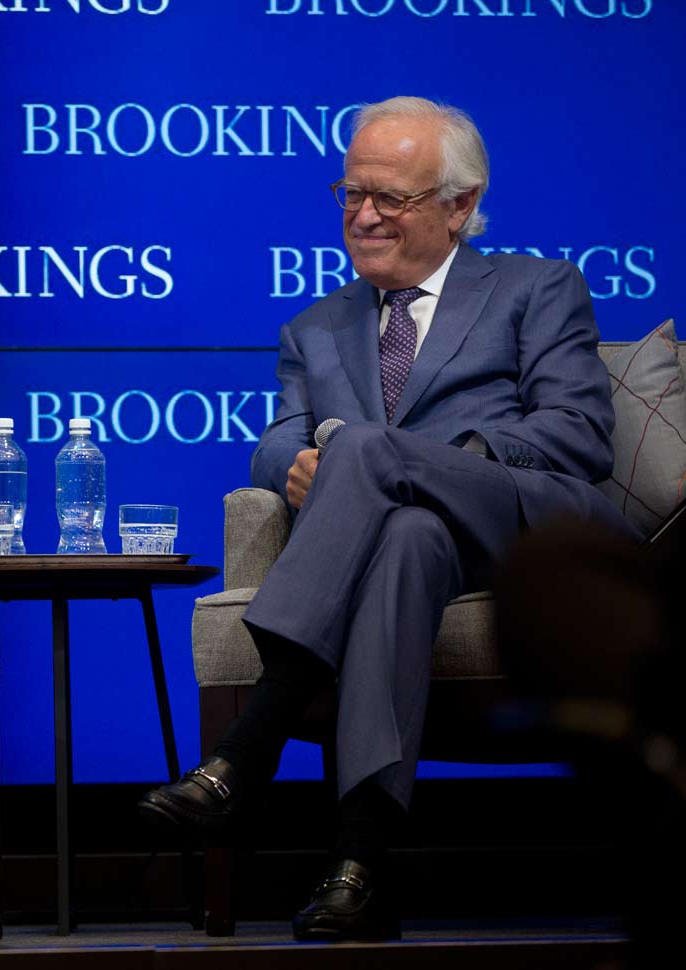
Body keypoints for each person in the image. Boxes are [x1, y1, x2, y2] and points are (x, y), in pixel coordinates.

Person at [138, 96, 633, 942]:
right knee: (405, 531)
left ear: (460, 206)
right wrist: (291, 469)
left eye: (390, 199)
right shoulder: (315, 327)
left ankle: (252, 742)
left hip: (530, 527)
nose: (362, 215)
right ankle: (360, 865)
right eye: (349, 193)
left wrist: (436, 464)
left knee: (371, 451)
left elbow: (577, 433)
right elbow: (276, 444)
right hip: (418, 545)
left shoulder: (536, 286)